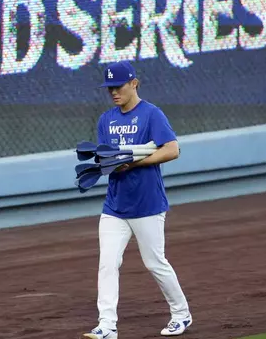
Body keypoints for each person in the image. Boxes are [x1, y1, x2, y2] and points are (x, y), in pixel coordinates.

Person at [82, 61, 192, 339]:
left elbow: (172, 149)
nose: (113, 93)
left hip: (147, 205)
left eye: (118, 86)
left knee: (155, 263)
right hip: (115, 205)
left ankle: (181, 314)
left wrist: (136, 162)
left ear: (134, 83)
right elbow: (107, 158)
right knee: (108, 263)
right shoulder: (106, 119)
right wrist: (112, 165)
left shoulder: (151, 114)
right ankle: (107, 326)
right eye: (109, 89)